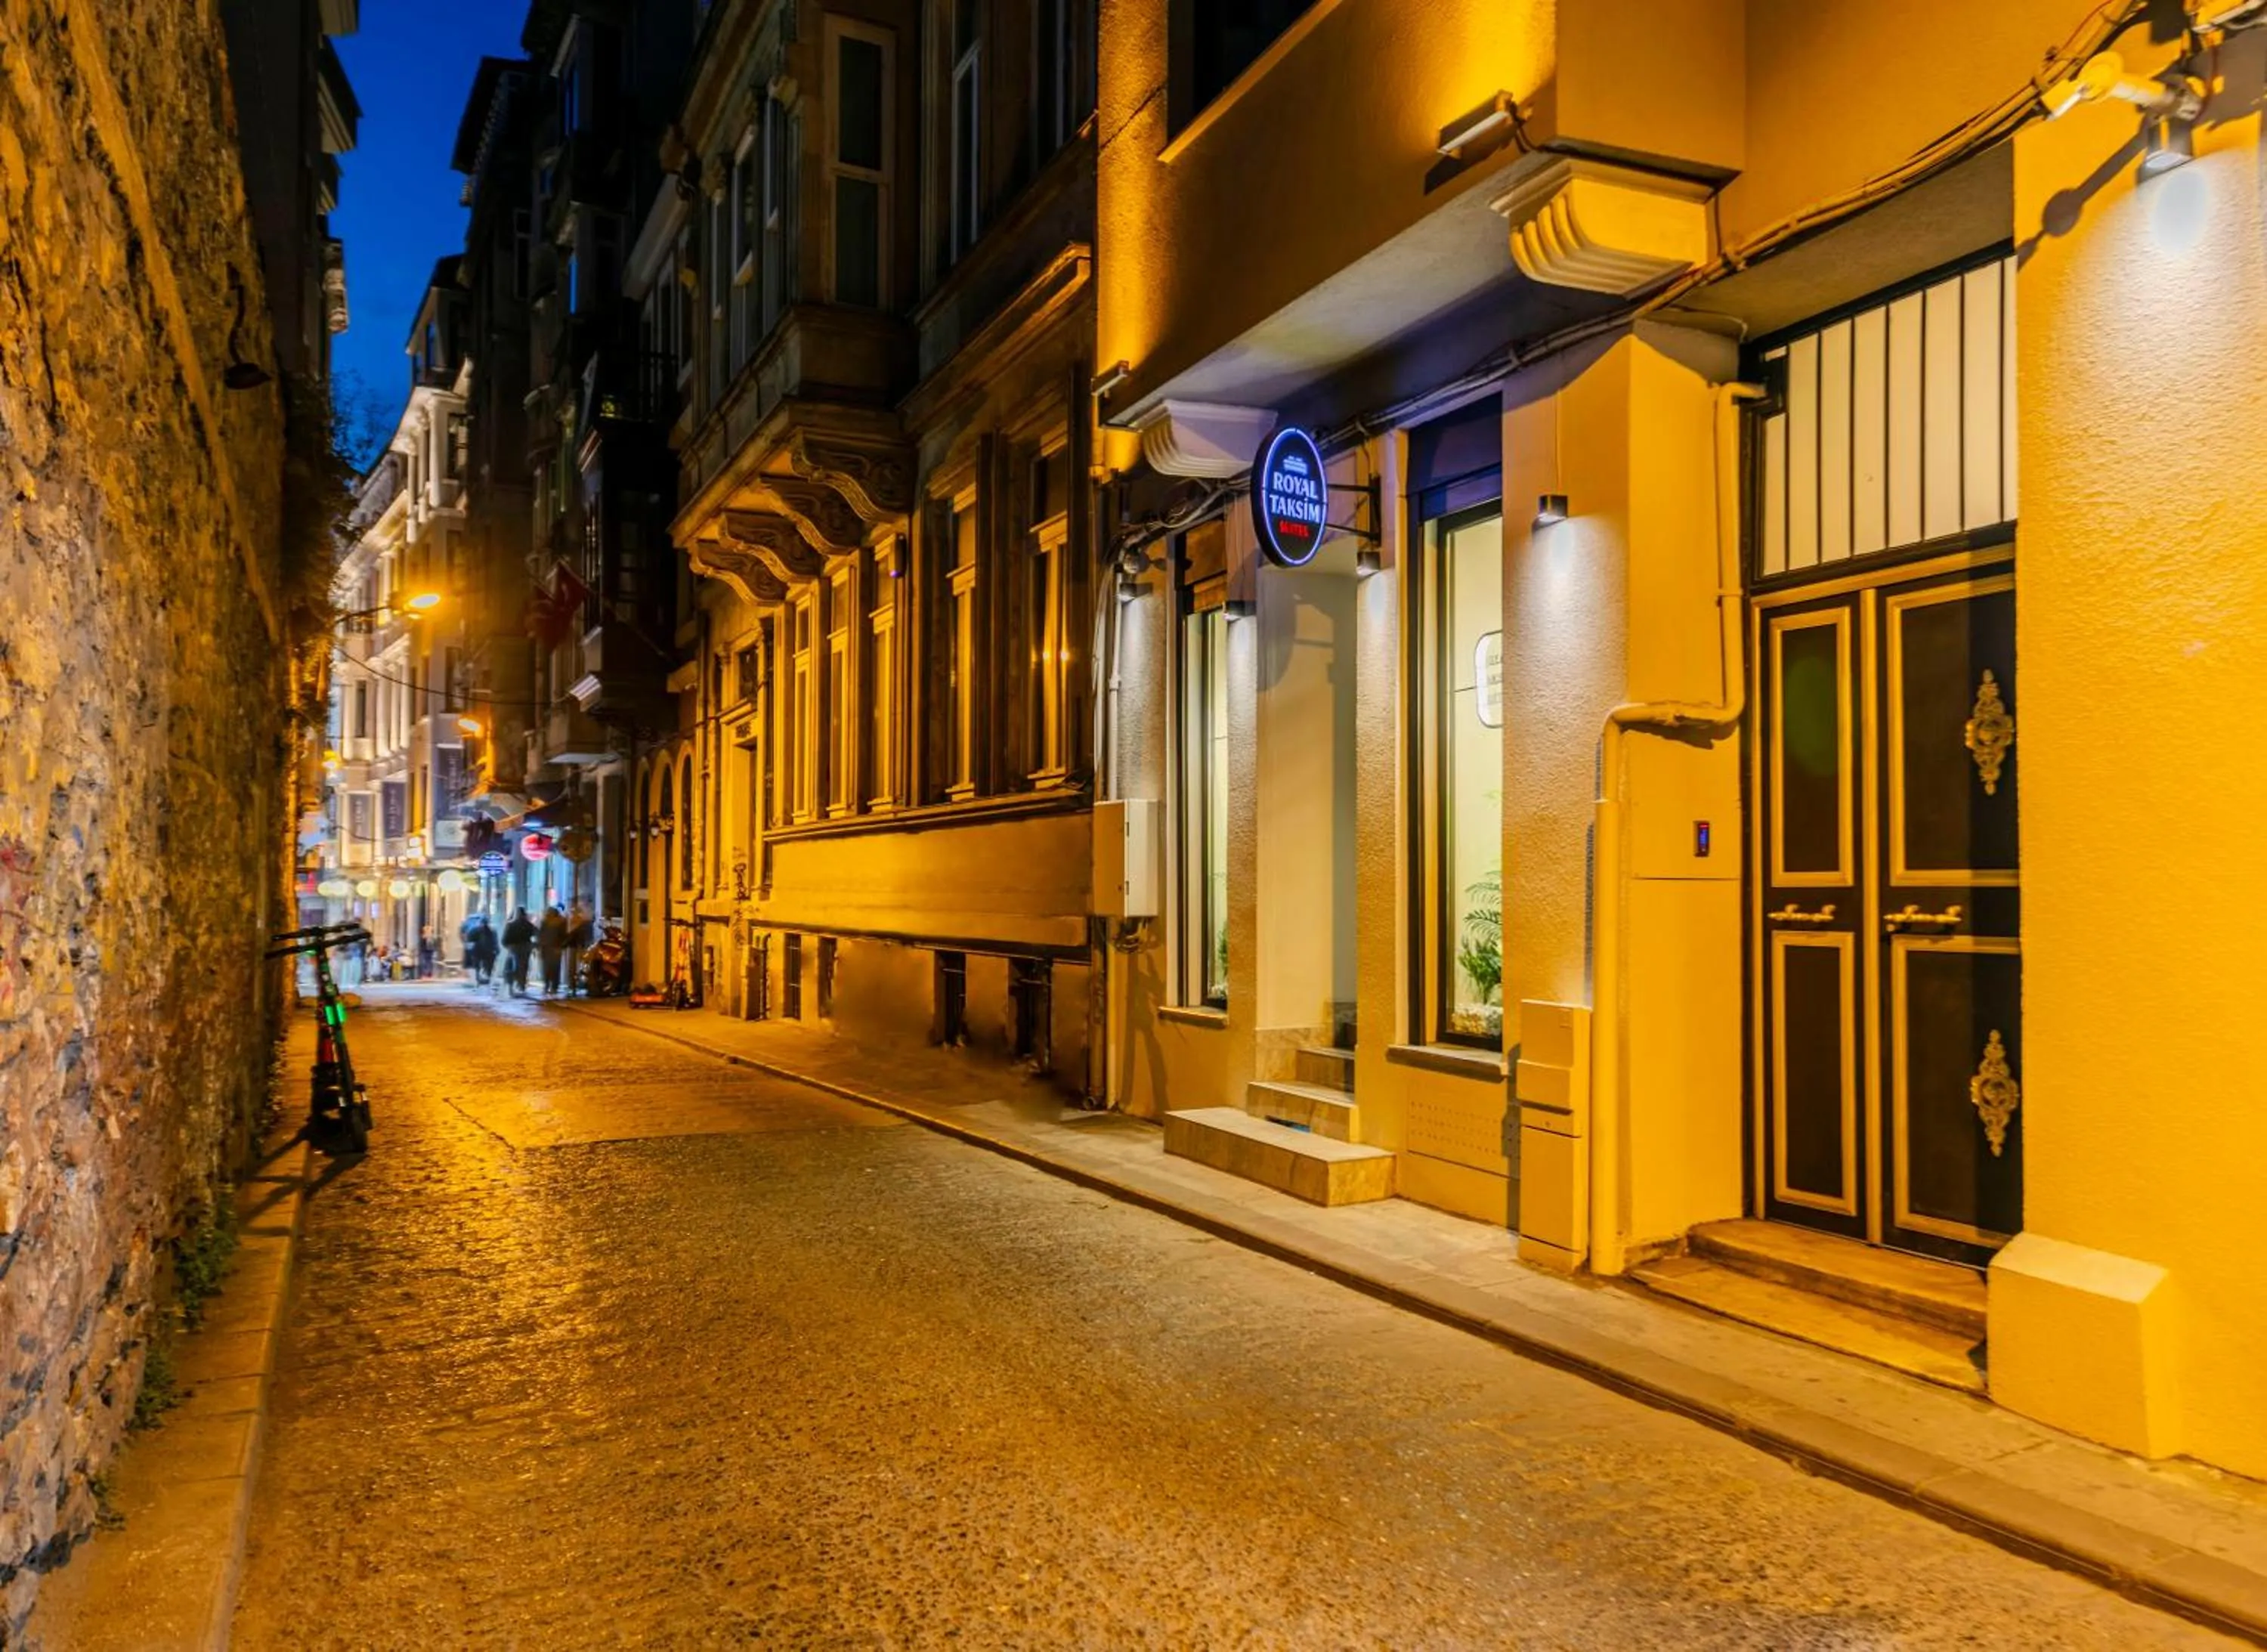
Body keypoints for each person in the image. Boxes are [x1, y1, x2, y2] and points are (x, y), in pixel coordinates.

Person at [501, 908, 537, 998]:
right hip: (525, 948)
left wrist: (507, 946)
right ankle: (521, 985)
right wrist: (533, 945)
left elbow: (504, 939)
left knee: (514, 966)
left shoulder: (511, 925)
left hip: (514, 948)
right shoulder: (529, 925)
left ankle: (513, 983)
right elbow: (537, 934)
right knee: (524, 966)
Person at [537, 904, 569, 998]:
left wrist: (540, 947)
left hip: (546, 948)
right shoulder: (561, 922)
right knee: (555, 968)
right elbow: (564, 936)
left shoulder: (545, 921)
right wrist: (562, 946)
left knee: (547, 968)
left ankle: (547, 986)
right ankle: (554, 987)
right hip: (556, 948)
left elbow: (540, 936)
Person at [564, 902, 593, 998]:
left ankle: (573, 986)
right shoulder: (584, 923)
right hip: (581, 946)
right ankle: (576, 985)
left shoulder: (575, 923)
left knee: (573, 967)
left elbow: (570, 936)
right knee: (579, 967)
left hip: (575, 947)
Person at [464, 913, 498, 986]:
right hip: (485, 951)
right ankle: (484, 976)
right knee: (486, 965)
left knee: (480, 965)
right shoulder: (491, 931)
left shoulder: (477, 930)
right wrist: (496, 950)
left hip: (480, 951)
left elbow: (470, 939)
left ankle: (481, 977)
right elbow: (495, 941)